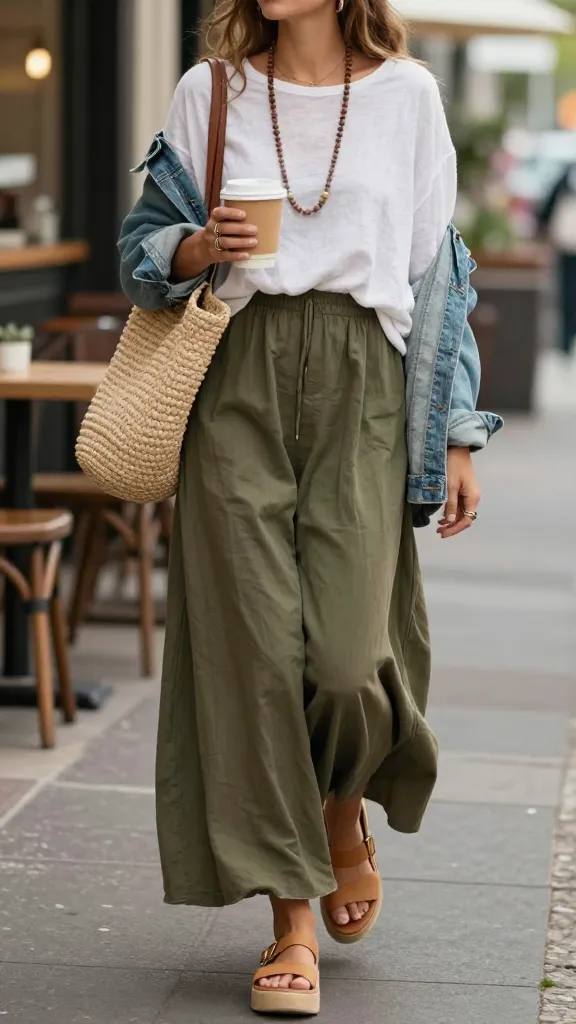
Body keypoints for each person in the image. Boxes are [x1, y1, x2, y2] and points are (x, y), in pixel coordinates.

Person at [118, 0, 502, 1014]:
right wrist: (200, 246)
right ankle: (291, 922)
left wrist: (459, 432)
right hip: (236, 378)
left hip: (364, 384)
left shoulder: (411, 97)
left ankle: (342, 805)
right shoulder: (211, 91)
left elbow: (436, 273)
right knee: (248, 653)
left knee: (344, 654)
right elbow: (142, 249)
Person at [538, 162, 576, 356]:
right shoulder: (566, 175)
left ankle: (566, 339)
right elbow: (548, 207)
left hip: (567, 245)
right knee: (567, 294)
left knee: (568, 293)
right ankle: (566, 338)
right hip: (567, 247)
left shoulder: (566, 175)